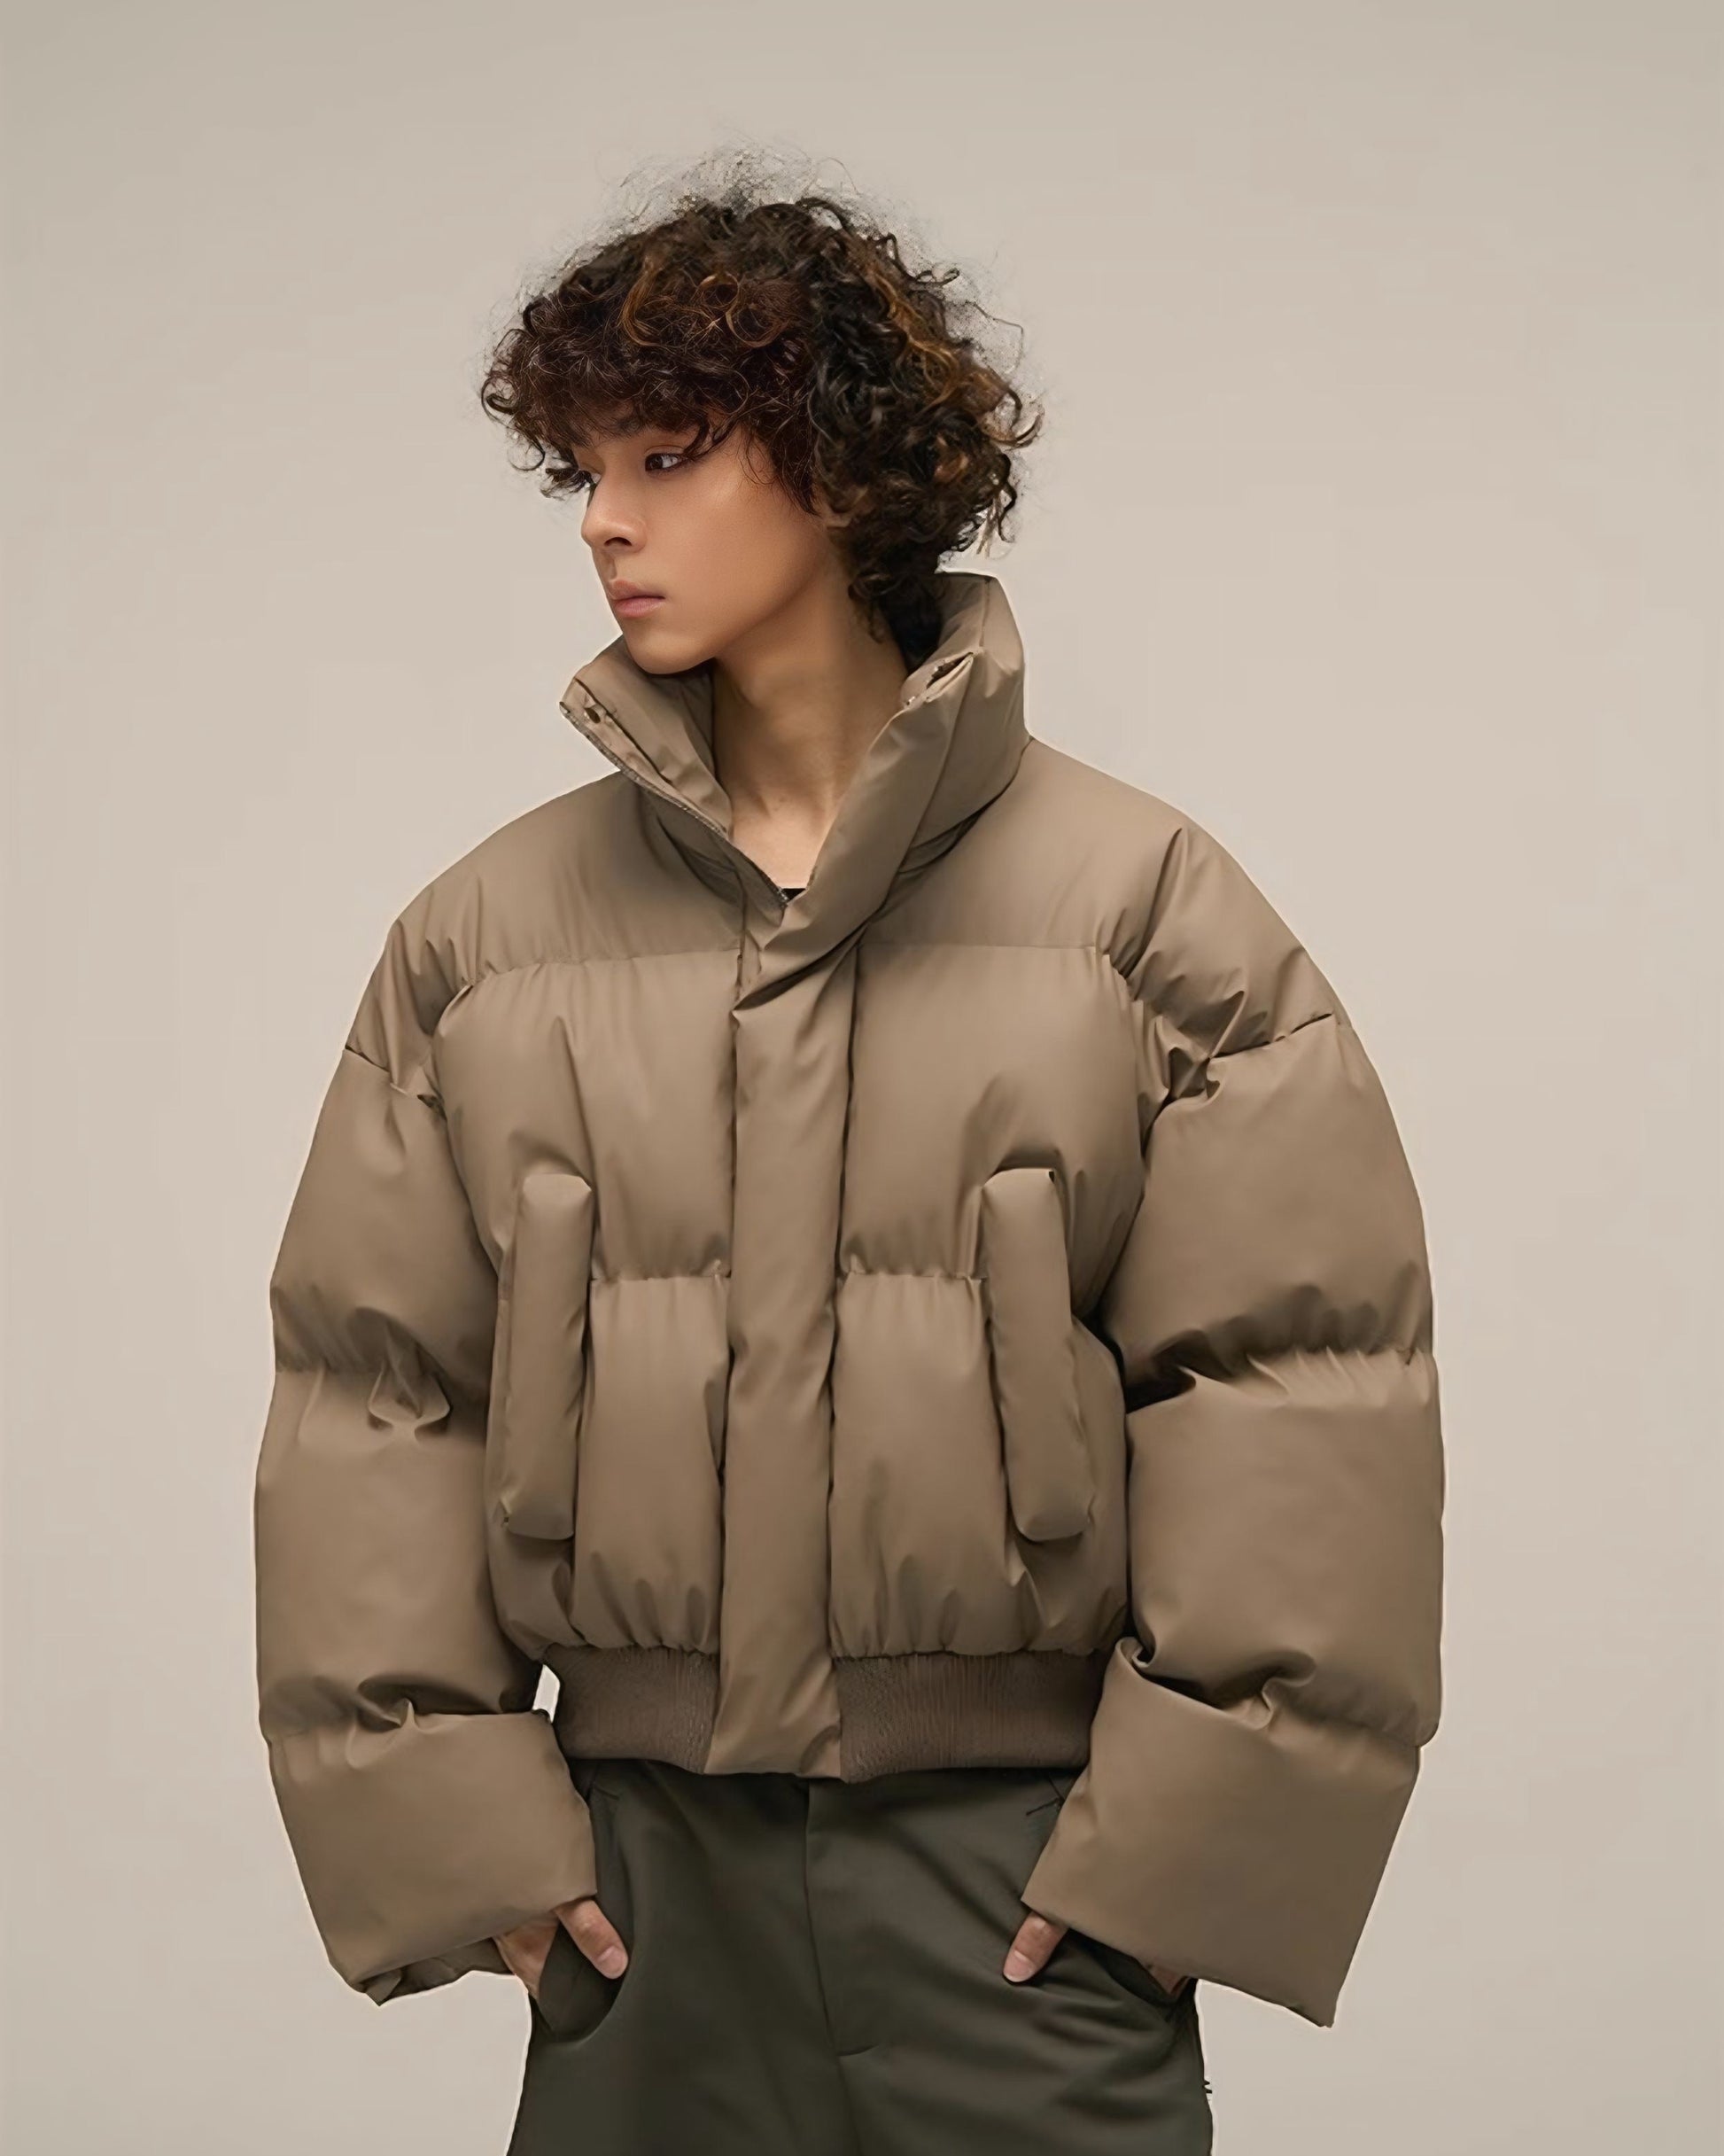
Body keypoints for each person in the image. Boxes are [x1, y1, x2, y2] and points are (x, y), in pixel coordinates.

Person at [252, 157, 1444, 2156]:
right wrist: (457, 1827)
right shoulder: (485, 942)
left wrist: (1178, 1860)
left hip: (1018, 1891)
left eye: (664, 454)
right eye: (583, 469)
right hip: (637, 1890)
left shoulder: (1143, 913)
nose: (604, 517)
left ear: (834, 468)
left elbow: (1294, 1387)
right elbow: (377, 1394)